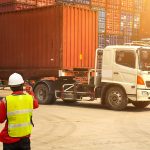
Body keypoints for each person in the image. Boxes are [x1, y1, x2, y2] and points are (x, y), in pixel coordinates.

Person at [0, 73, 39, 150]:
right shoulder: (30, 98)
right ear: (22, 85)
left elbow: (1, 119)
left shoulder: (5, 101)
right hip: (25, 139)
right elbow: (36, 105)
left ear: (10, 87)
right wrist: (30, 92)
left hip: (10, 139)